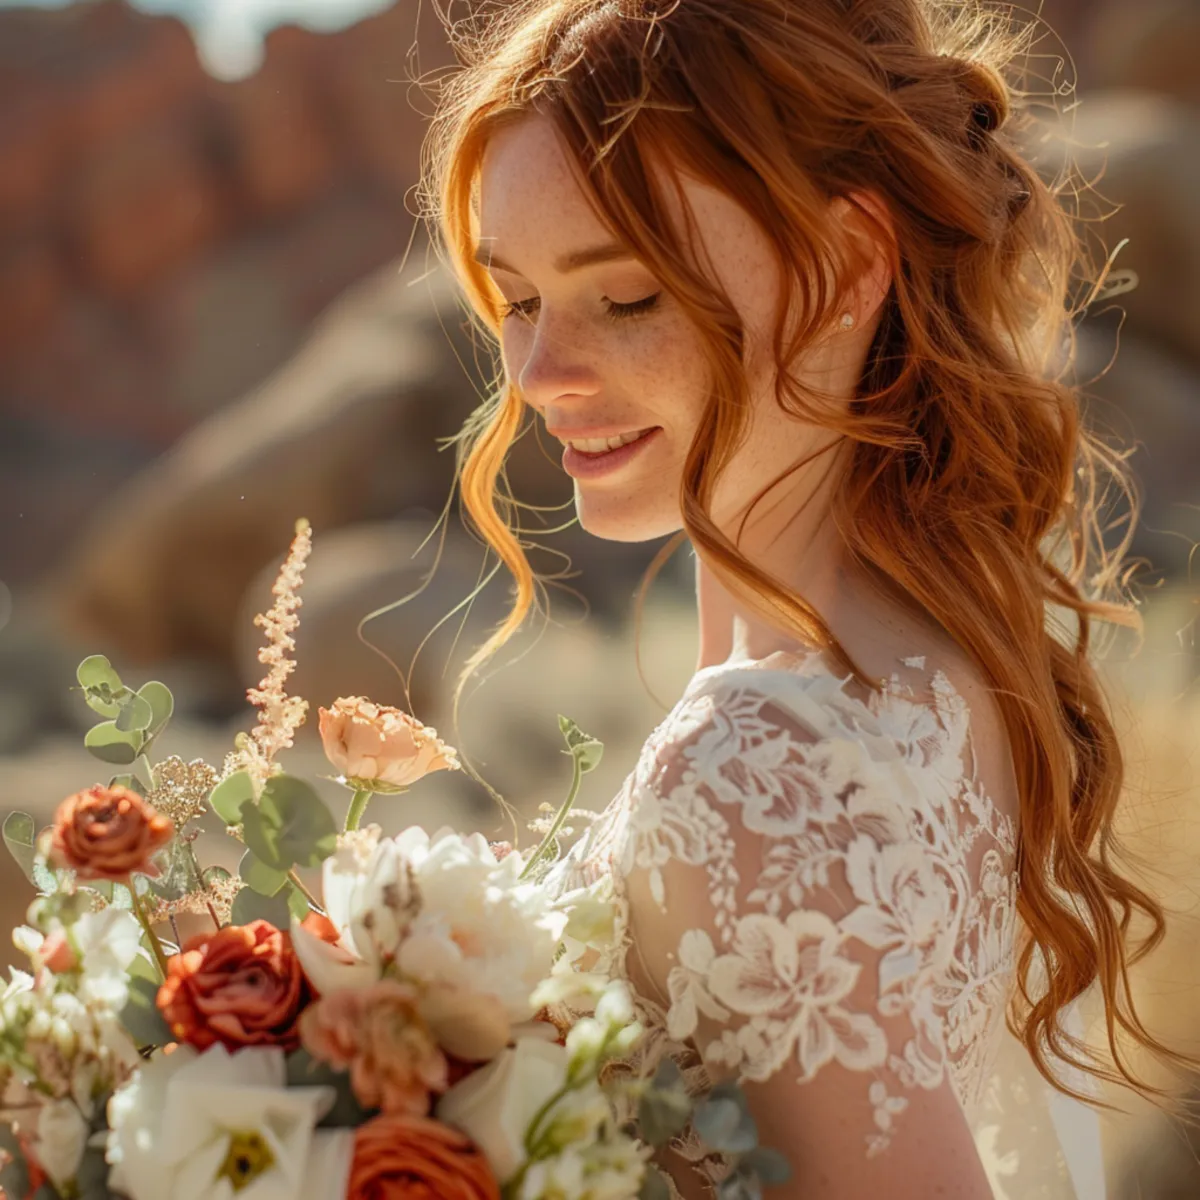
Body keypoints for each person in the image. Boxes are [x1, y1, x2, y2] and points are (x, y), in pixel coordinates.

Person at [411, 0, 1200, 1195]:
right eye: (518, 300)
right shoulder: (948, 669)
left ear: (848, 267)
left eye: (625, 296)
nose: (539, 374)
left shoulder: (749, 763)